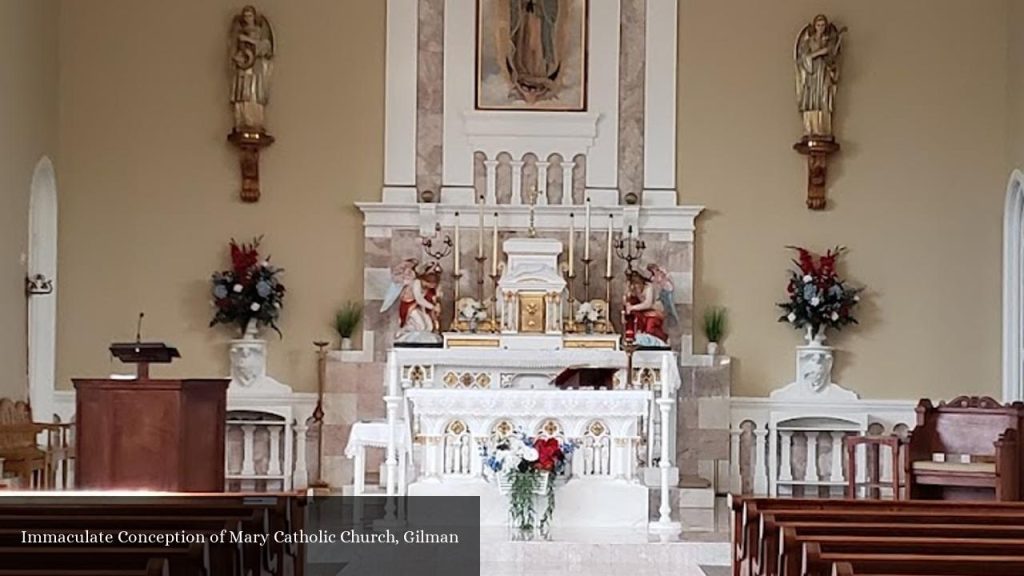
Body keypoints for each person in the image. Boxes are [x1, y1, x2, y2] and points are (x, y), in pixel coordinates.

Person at [794, 14, 845, 137]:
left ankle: (823, 127)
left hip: (824, 73)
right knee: (812, 98)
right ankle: (811, 127)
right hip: (812, 75)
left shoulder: (828, 42)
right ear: (814, 26)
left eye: (823, 25)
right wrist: (818, 53)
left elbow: (832, 59)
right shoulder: (808, 42)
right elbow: (803, 59)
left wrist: (830, 55)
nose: (820, 27)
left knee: (824, 96)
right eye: (818, 25)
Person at [230, 5, 274, 132]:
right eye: (245, 16)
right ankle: (242, 121)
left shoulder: (259, 33)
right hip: (244, 69)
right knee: (243, 93)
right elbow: (235, 52)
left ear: (254, 17)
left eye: (250, 16)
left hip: (255, 69)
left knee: (254, 93)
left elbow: (265, 48)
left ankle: (255, 122)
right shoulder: (240, 34)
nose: (247, 18)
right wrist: (238, 58)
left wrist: (248, 40)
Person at [623, 270, 668, 346]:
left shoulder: (649, 287)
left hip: (655, 311)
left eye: (637, 284)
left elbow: (648, 304)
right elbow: (627, 299)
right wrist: (627, 296)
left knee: (650, 328)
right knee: (635, 322)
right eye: (633, 284)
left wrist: (632, 307)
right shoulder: (634, 289)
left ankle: (662, 339)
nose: (635, 287)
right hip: (644, 312)